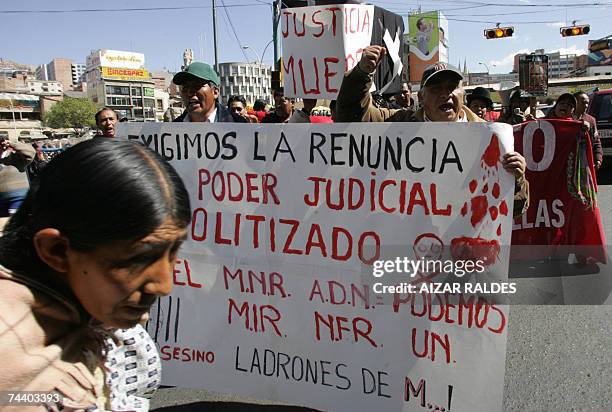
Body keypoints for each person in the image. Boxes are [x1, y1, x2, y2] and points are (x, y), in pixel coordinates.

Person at [0, 139, 191, 410]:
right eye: (137, 258)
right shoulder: (13, 367)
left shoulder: (98, 317)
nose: (163, 284)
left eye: (173, 251)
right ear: (56, 250)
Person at [335, 45, 528, 216]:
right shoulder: (399, 123)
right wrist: (361, 74)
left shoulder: (489, 138)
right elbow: (351, 116)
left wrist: (517, 179)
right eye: (436, 89)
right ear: (421, 97)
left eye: (452, 88)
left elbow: (514, 211)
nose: (446, 94)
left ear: (463, 94)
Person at [172, 62, 246, 123]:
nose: (189, 93)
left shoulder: (239, 124)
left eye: (197, 86)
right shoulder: (171, 130)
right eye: (185, 87)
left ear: (215, 92)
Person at [0, 137, 35, 217]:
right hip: (1, 199)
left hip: (18, 197)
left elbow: (30, 152)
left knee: (16, 221)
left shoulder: (15, 156)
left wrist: (12, 144)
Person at [574, 91, 603, 170]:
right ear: (574, 102)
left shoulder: (591, 120)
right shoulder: (565, 119)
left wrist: (598, 159)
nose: (586, 106)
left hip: (585, 162)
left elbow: (596, 141)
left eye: (587, 103)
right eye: (583, 103)